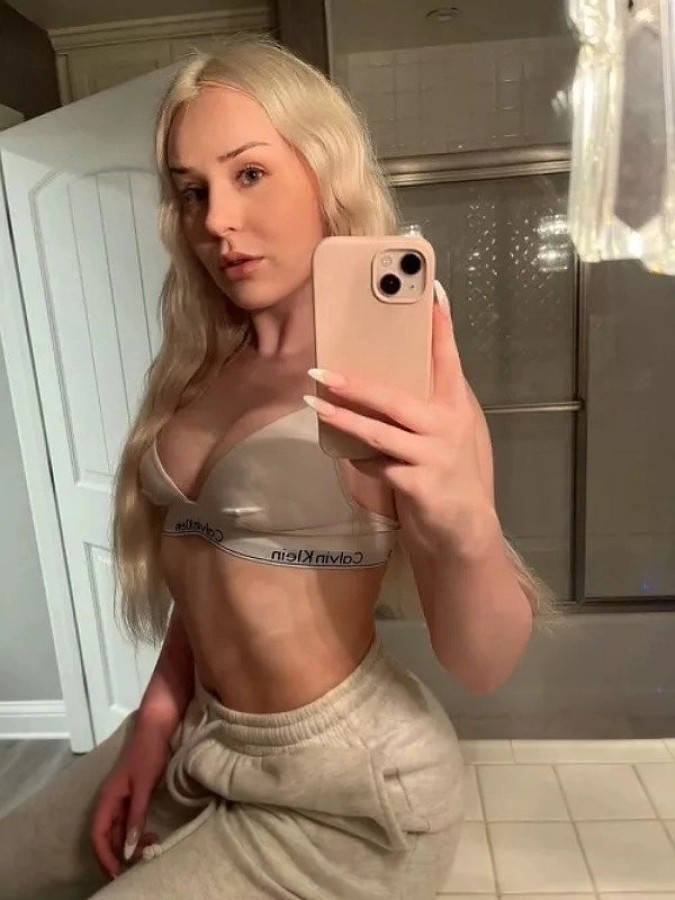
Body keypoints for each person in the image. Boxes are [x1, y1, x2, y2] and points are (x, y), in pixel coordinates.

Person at [0, 36, 552, 900]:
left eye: (249, 174)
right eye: (192, 191)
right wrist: (152, 720)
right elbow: (210, 571)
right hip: (199, 735)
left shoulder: (393, 387)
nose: (216, 220)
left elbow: (483, 664)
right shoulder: (201, 368)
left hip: (348, 789)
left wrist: (463, 524)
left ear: (324, 171)